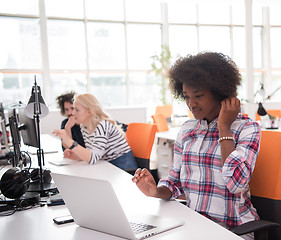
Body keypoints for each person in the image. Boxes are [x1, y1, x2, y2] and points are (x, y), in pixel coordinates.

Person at [132, 52, 261, 240]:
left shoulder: (247, 129)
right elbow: (174, 183)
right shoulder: (187, 130)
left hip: (232, 230)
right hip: (194, 226)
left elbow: (237, 183)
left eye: (199, 96)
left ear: (220, 93)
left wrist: (224, 127)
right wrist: (155, 191)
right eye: (186, 96)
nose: (191, 104)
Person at [53, 93, 137, 170]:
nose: (73, 113)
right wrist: (76, 156)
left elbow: (92, 158)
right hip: (108, 164)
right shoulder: (84, 127)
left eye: (77, 110)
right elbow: (92, 153)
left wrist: (69, 141)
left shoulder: (102, 126)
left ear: (89, 112)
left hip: (124, 167)